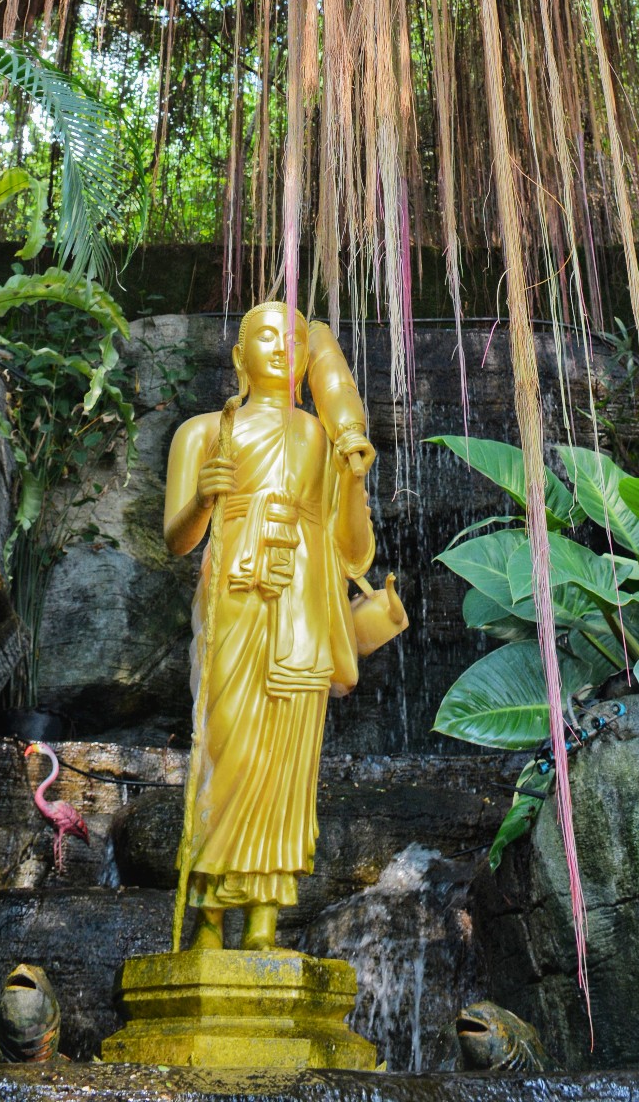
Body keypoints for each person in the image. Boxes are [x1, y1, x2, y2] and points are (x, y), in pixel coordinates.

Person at [163, 303, 403, 951]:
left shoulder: (321, 439)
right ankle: (209, 925)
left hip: (300, 602)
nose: (280, 346)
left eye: (295, 338)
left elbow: (354, 552)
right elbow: (177, 540)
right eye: (263, 336)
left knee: (287, 764)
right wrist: (203, 498)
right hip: (234, 601)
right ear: (238, 356)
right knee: (227, 750)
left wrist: (354, 479)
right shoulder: (201, 432)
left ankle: (264, 925)